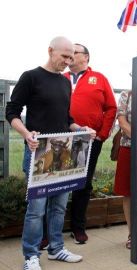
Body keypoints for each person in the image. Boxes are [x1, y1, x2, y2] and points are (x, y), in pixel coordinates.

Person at [5, 36, 96, 270]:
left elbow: (67, 119)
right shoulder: (31, 77)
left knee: (58, 206)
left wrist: (81, 129)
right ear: (50, 51)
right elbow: (12, 112)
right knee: (36, 210)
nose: (67, 61)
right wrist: (26, 134)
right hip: (38, 153)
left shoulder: (65, 83)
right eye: (64, 56)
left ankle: (56, 248)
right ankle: (31, 256)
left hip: (63, 156)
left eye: (71, 58)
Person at [64, 43, 117, 244]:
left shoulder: (100, 79)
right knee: (56, 184)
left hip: (90, 139)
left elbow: (111, 108)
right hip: (61, 138)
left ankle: (78, 227)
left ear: (85, 57)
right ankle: (49, 232)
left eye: (74, 52)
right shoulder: (61, 78)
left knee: (83, 183)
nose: (70, 55)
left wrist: (102, 134)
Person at [113, 90, 132, 249]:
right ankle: (132, 234)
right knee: (128, 192)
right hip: (129, 147)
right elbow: (122, 121)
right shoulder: (127, 95)